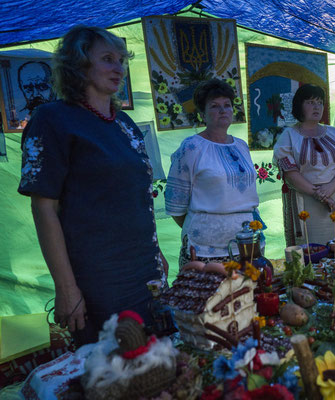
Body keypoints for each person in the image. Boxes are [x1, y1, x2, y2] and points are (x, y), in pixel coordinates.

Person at [18, 26, 168, 346]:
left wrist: (156, 253)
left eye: (122, 60)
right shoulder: (52, 119)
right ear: (79, 64)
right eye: (107, 59)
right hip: (99, 277)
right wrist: (66, 287)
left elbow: (137, 195)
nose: (119, 68)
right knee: (111, 371)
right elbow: (44, 207)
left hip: (145, 268)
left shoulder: (124, 123)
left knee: (153, 366)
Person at [165, 79, 263, 266]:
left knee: (247, 293)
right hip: (205, 250)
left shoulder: (241, 145)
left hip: (247, 242)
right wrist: (205, 227)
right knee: (207, 295)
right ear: (202, 114)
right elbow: (176, 205)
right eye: (215, 106)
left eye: (227, 105)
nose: (223, 110)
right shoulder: (192, 147)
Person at [273, 84, 335, 246]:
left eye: (320, 102)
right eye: (310, 102)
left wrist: (329, 189)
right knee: (310, 249)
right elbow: (290, 174)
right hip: (305, 200)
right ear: (299, 106)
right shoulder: (288, 136)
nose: (316, 107)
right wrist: (320, 194)